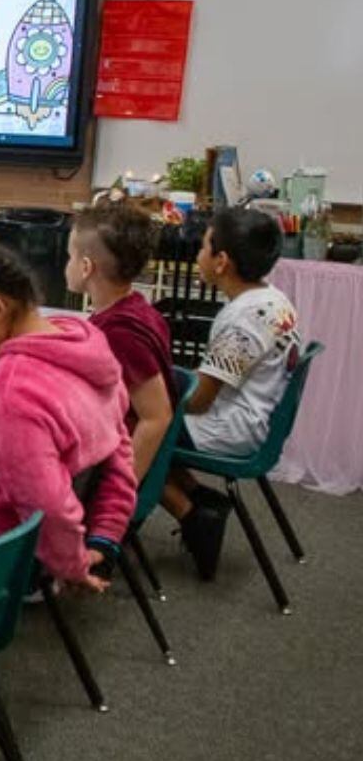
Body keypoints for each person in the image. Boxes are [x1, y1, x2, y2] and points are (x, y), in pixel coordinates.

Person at [0, 240, 136, 589]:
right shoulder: (83, 341)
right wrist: (106, 533)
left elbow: (45, 504)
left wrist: (72, 565)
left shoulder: (11, 394)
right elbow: (119, 449)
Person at [161, 207, 303, 578]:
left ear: (222, 261)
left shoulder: (242, 322)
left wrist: (151, 393)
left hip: (231, 426)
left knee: (127, 429)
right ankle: (201, 498)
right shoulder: (273, 298)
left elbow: (199, 401)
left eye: (203, 246)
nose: (198, 254)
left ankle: (192, 514)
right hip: (258, 418)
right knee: (148, 417)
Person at [67, 203, 175, 486]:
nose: (67, 265)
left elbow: (157, 417)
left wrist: (121, 489)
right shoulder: (137, 310)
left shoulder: (121, 334)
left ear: (86, 267)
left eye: (70, 257)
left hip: (106, 459)